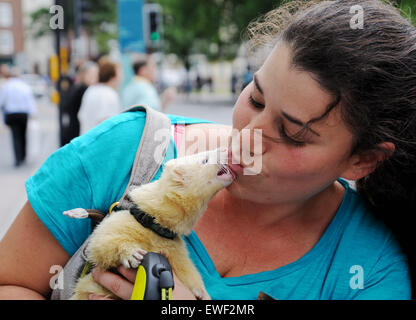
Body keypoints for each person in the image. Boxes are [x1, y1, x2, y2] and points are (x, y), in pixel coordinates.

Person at [0, 0, 414, 300]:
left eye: (291, 133)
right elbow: (10, 283)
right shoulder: (125, 151)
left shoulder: (372, 268)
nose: (247, 136)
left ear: (364, 160)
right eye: (255, 97)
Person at [0, 66, 37, 167]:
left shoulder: (6, 86)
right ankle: (23, 155)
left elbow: (2, 102)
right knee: (23, 135)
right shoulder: (24, 86)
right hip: (23, 114)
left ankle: (18, 158)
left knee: (15, 136)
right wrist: (33, 113)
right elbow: (30, 101)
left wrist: (3, 119)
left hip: (11, 114)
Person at [78, 57, 121, 135]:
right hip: (99, 144)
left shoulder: (91, 90)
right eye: (119, 73)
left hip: (86, 141)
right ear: (112, 76)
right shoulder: (109, 94)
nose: (121, 77)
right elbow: (106, 124)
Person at [61, 61, 99, 145]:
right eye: (92, 74)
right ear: (84, 75)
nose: (96, 77)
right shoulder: (83, 90)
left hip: (75, 132)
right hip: (77, 132)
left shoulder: (79, 88)